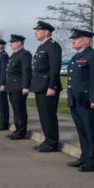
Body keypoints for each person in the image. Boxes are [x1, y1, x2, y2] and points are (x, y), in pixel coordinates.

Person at [31, 21, 63, 152]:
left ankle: (52, 142)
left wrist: (52, 86)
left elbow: (55, 68)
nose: (35, 33)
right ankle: (47, 139)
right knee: (43, 116)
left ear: (47, 32)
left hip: (47, 86)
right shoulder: (41, 47)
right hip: (40, 86)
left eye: (38, 30)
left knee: (49, 115)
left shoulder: (53, 46)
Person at [66, 28, 94, 172]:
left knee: (90, 131)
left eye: (77, 38)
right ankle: (84, 157)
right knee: (81, 130)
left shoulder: (90, 55)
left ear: (87, 40)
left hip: (86, 100)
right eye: (73, 39)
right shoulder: (76, 56)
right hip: (75, 99)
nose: (73, 41)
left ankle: (91, 161)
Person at [5, 34, 32, 140]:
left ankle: (21, 132)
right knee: (15, 109)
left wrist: (26, 86)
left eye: (13, 42)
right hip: (12, 86)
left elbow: (26, 70)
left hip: (19, 86)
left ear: (19, 43)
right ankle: (17, 130)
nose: (11, 44)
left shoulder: (24, 54)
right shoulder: (15, 54)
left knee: (20, 110)